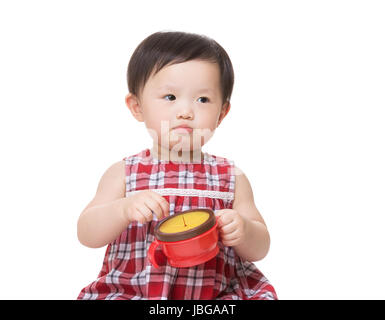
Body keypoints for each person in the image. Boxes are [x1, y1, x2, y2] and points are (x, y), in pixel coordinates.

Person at [77, 31, 277, 300]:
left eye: (203, 99)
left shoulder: (231, 176)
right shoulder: (124, 173)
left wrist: (243, 228)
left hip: (215, 295)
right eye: (170, 97)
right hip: (136, 292)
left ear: (222, 113)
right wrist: (122, 209)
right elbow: (87, 233)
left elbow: (260, 247)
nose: (186, 111)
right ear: (137, 106)